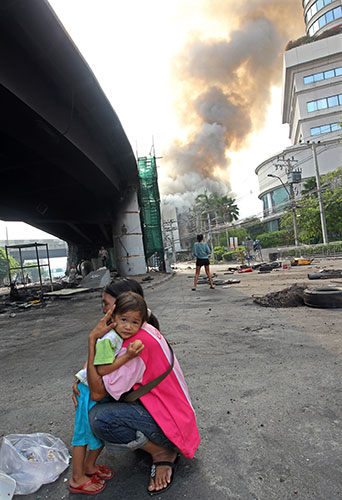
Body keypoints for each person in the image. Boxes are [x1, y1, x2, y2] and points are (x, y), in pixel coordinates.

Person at [76, 281, 200, 495]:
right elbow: (99, 366)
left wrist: (92, 339)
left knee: (100, 418)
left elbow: (97, 391)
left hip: (171, 427)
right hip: (176, 416)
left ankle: (162, 452)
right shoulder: (145, 328)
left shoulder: (134, 346)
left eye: (107, 305)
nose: (103, 311)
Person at [69, 292, 146, 495]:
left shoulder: (120, 336)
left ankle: (90, 466)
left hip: (97, 389)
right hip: (87, 390)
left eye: (134, 322)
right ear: (114, 318)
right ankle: (77, 478)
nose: (128, 326)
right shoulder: (110, 339)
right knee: (82, 435)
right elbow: (102, 368)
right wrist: (128, 356)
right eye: (123, 320)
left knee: (95, 431)